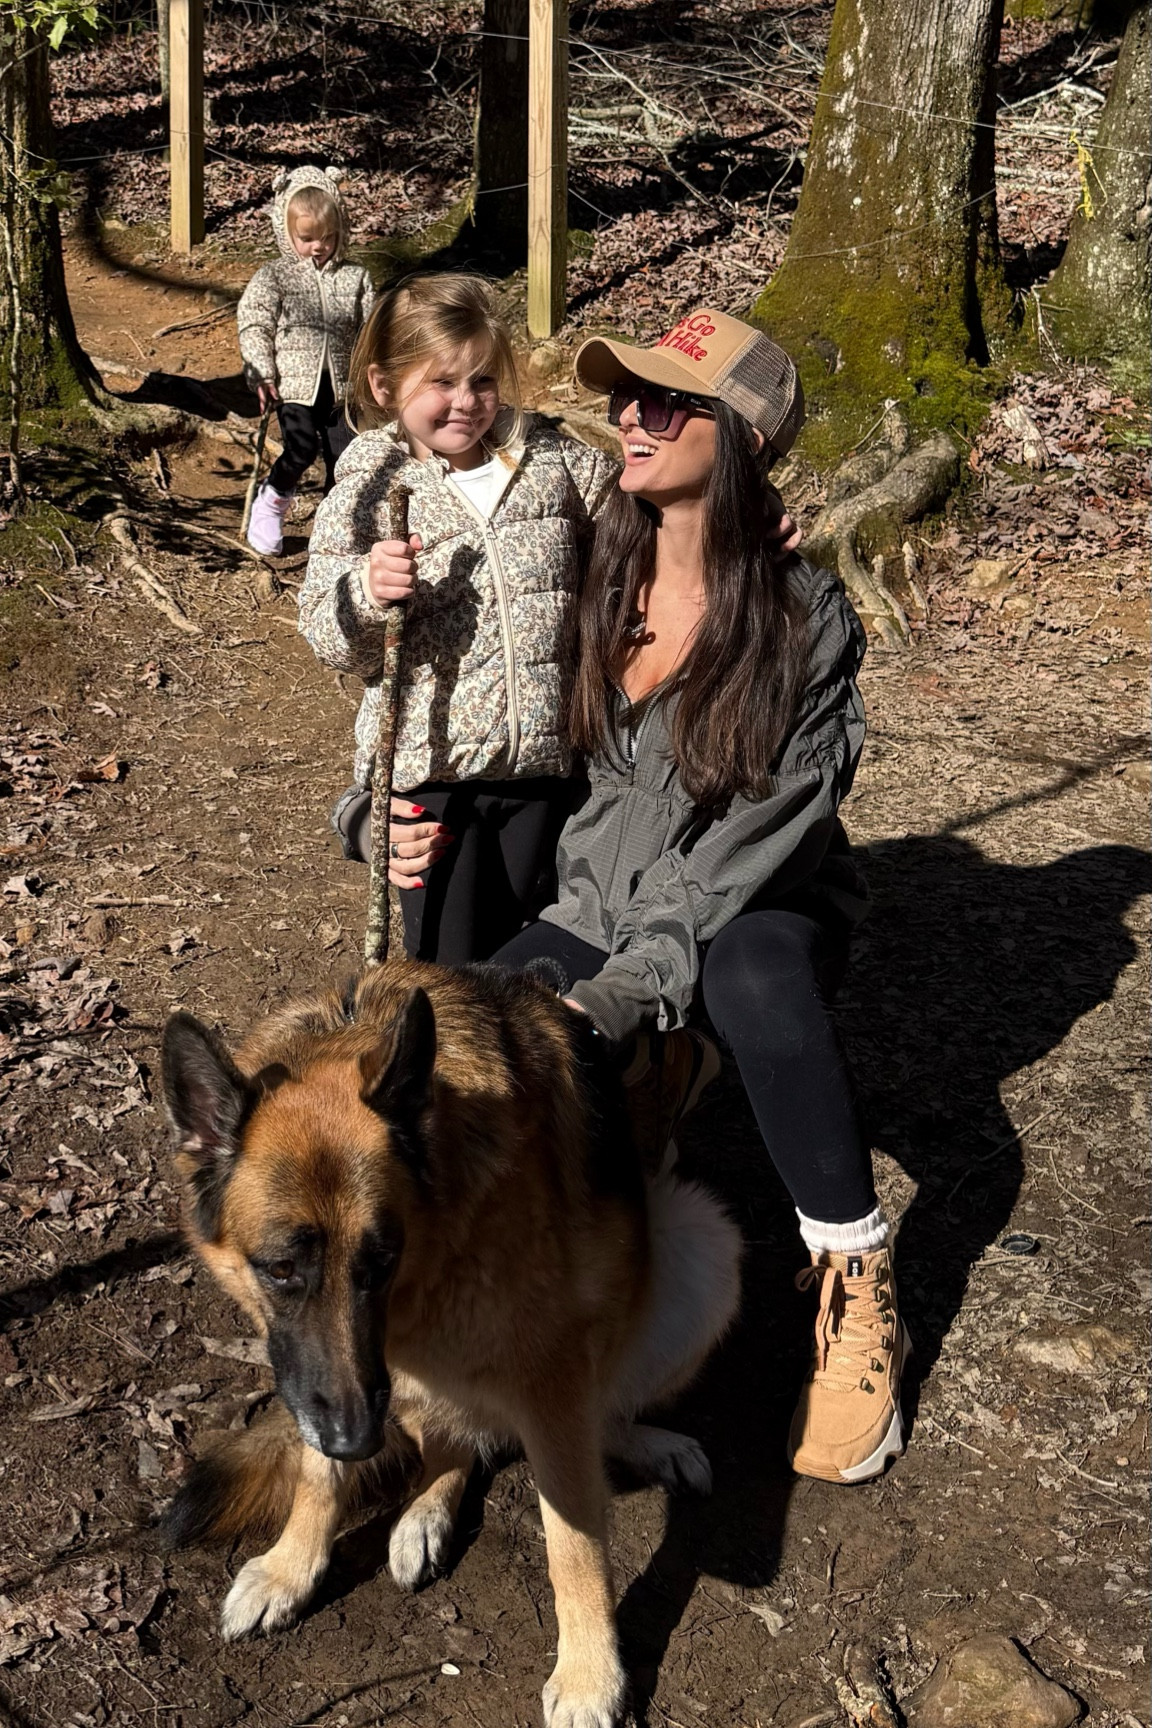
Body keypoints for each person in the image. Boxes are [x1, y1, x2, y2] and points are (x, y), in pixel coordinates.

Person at [491, 308, 910, 1486]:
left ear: (738, 441)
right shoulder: (602, 572)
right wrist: (395, 809)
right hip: (601, 904)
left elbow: (746, 847)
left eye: (669, 401)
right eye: (628, 394)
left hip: (756, 905)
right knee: (469, 1034)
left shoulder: (803, 620)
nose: (633, 413)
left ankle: (857, 1280)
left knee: (753, 974)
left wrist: (624, 993)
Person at [297, 273, 619, 964]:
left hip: (549, 767)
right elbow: (325, 631)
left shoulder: (557, 464)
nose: (466, 403)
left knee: (540, 971)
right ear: (384, 386)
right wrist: (365, 592)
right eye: (441, 382)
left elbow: (645, 524)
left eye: (482, 380)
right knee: (451, 976)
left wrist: (738, 518)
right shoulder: (369, 485)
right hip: (435, 779)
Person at [238, 165, 375, 556]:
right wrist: (261, 374)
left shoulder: (356, 278)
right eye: (307, 238)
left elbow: (371, 328)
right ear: (286, 232)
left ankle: (336, 526)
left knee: (345, 460)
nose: (318, 246)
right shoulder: (275, 276)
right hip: (294, 386)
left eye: (327, 237)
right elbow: (254, 322)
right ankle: (272, 501)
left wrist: (375, 375)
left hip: (343, 390)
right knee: (300, 448)